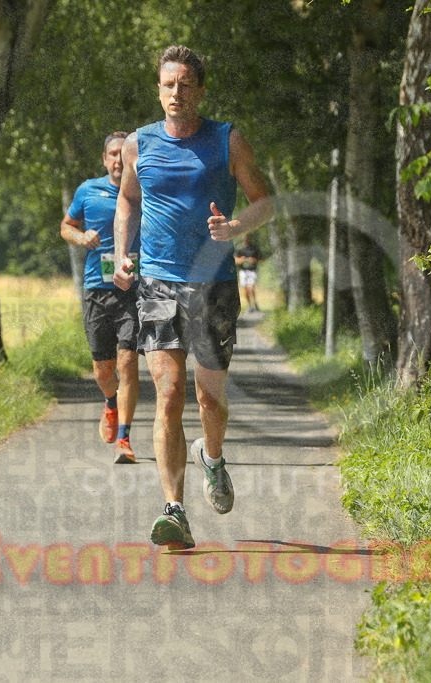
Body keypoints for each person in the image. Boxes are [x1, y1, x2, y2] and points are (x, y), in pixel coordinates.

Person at [112, 45, 273, 549]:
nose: (175, 93)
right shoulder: (139, 145)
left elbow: (265, 202)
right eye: (167, 85)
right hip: (157, 283)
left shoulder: (227, 140)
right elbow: (127, 200)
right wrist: (121, 255)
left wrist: (235, 226)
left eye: (184, 85)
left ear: (200, 90)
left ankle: (214, 458)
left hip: (215, 285)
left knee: (208, 397)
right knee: (169, 392)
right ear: (158, 89)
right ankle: (174, 509)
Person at [60, 131, 141, 464]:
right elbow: (66, 225)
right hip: (96, 288)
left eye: (123, 153)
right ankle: (110, 402)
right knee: (103, 371)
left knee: (128, 363)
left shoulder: (142, 190)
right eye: (112, 153)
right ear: (104, 158)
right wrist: (81, 238)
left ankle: (125, 438)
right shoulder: (87, 190)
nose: (117, 159)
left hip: (132, 290)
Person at [234, 233, 263, 313]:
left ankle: (255, 304)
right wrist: (242, 260)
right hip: (243, 271)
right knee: (246, 290)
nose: (246, 240)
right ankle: (250, 306)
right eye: (245, 238)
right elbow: (235, 261)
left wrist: (254, 260)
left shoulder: (254, 248)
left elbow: (261, 258)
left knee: (251, 287)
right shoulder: (240, 248)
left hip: (252, 270)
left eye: (247, 238)